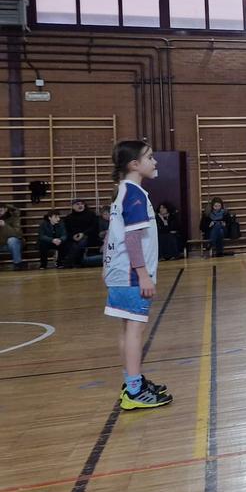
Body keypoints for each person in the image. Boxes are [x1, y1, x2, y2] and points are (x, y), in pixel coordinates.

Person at [105, 140, 172, 410]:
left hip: (119, 271)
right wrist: (143, 275)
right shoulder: (134, 193)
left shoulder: (121, 190)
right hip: (132, 274)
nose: (155, 162)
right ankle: (134, 391)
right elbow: (132, 238)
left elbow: (112, 233)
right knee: (135, 330)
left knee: (127, 329)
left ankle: (132, 381)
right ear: (134, 164)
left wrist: (105, 266)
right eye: (150, 157)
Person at [63, 198, 100, 268]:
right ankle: (76, 262)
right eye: (77, 204)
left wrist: (83, 233)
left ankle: (69, 262)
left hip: (90, 237)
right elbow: (67, 230)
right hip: (74, 237)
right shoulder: (69, 217)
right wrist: (73, 236)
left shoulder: (91, 214)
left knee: (82, 240)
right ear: (73, 206)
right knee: (71, 243)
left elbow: (94, 227)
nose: (80, 206)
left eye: (82, 204)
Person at [0, 202, 25, 271]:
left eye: (0, 210)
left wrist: (5, 225)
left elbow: (17, 234)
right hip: (1, 244)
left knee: (12, 240)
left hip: (13, 244)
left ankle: (17, 264)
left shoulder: (14, 218)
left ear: (6, 209)